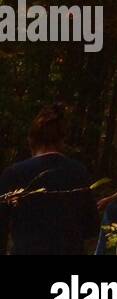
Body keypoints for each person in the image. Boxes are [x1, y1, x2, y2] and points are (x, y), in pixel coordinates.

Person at [0, 105, 99, 254]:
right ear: (62, 140)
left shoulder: (14, 173)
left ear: (31, 140)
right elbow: (91, 228)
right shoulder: (79, 172)